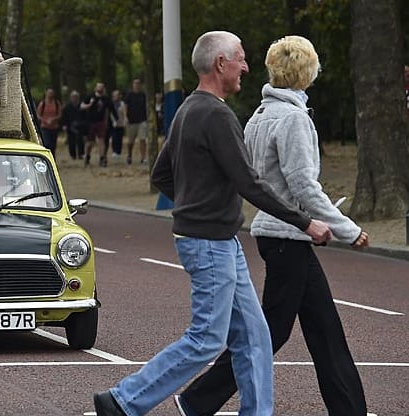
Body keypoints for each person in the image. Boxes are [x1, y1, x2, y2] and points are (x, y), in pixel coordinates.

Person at [92, 31, 333, 416]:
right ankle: (124, 400)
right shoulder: (218, 115)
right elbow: (249, 183)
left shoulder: (189, 109)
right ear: (221, 63)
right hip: (210, 243)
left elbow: (161, 175)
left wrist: (194, 200)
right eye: (240, 58)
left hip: (214, 240)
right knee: (206, 338)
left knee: (255, 337)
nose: (246, 66)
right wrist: (307, 223)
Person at [176, 35, 369, 416]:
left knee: (325, 329)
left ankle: (349, 410)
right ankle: (197, 400)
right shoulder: (294, 118)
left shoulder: (260, 115)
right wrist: (347, 229)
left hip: (277, 232)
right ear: (306, 72)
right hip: (288, 235)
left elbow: (254, 177)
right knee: (270, 332)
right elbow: (303, 186)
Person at [81, 82, 112, 167]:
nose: (100, 89)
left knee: (101, 140)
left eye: (101, 87)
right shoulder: (90, 97)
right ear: (95, 88)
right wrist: (89, 105)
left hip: (100, 122)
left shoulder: (106, 99)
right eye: (99, 87)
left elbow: (109, 109)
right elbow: (82, 106)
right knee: (90, 142)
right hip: (91, 122)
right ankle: (87, 156)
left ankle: (102, 158)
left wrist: (111, 121)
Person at [124, 79, 148, 165]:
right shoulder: (129, 95)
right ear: (133, 85)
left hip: (142, 120)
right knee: (131, 141)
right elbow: (125, 106)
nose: (137, 85)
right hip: (131, 121)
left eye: (138, 83)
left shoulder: (143, 95)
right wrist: (125, 117)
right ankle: (129, 156)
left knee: (142, 139)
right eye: (135, 83)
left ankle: (143, 157)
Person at [37, 88, 62, 155]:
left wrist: (53, 119)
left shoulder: (57, 103)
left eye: (51, 93)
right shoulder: (42, 104)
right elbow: (38, 115)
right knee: (47, 144)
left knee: (53, 146)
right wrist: (45, 120)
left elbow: (59, 115)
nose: (50, 95)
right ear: (46, 94)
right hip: (45, 127)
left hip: (54, 127)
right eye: (49, 93)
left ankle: (52, 158)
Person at [61, 90, 85, 160]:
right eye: (73, 97)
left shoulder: (82, 106)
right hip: (70, 126)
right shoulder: (67, 107)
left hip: (80, 125)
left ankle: (81, 154)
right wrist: (64, 125)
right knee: (71, 141)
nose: (74, 98)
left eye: (76, 97)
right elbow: (64, 117)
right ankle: (73, 155)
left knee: (80, 140)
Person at [109, 89, 126, 159]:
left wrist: (124, 120)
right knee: (114, 137)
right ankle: (114, 151)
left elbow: (124, 112)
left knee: (120, 138)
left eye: (117, 95)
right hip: (113, 123)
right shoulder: (111, 103)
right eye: (114, 95)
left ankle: (118, 151)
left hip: (120, 123)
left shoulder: (122, 103)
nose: (116, 96)